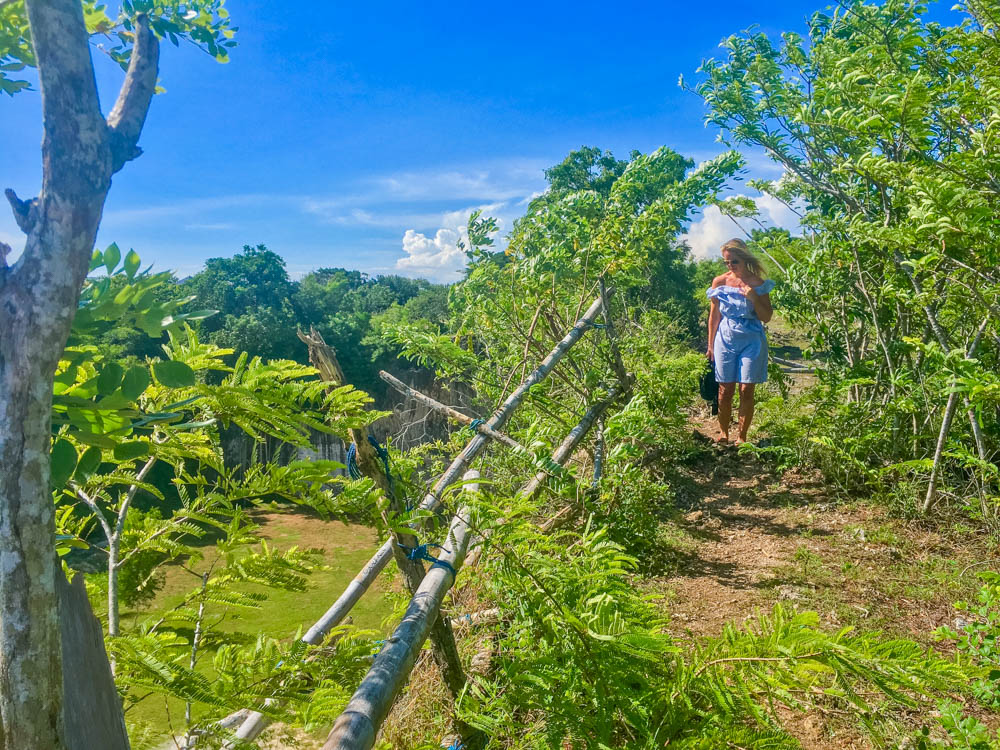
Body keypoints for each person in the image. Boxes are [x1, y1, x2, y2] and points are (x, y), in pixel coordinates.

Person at [706, 238, 775, 444]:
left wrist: (754, 298)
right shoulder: (720, 282)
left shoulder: (758, 284)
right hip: (725, 337)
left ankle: (742, 437)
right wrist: (710, 345)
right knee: (725, 388)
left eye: (734, 261)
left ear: (744, 259)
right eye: (726, 262)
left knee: (746, 388)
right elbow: (714, 316)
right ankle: (724, 433)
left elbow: (767, 316)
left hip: (752, 338)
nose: (730, 266)